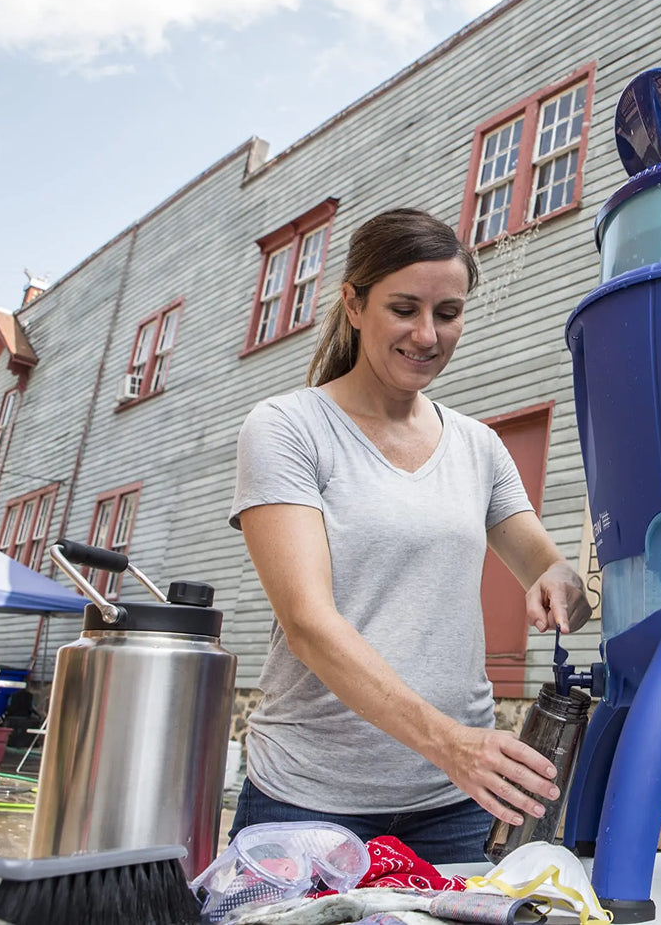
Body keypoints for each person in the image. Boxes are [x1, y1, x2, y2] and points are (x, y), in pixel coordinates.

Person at [229, 208, 592, 862]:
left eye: (447, 313)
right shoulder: (288, 427)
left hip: (453, 804)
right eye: (404, 309)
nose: (427, 335)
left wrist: (561, 580)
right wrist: (449, 742)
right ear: (354, 304)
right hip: (310, 800)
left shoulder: (478, 446)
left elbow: (541, 560)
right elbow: (308, 623)